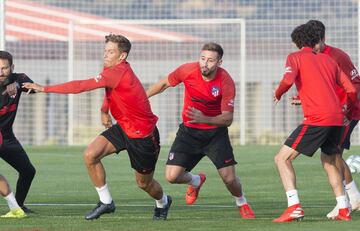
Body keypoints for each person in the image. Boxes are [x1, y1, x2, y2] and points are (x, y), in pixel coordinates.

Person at [23, 34, 172, 221]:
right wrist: (104, 110)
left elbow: (81, 86)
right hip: (123, 128)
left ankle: (163, 201)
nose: (105, 55)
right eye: (105, 50)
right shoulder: (113, 68)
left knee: (144, 184)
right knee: (90, 155)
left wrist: (44, 88)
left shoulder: (117, 72)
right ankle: (106, 202)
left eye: (111, 52)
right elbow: (110, 90)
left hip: (142, 135)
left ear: (122, 56)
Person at [146, 42, 255, 219]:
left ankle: (241, 202)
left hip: (215, 135)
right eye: (202, 58)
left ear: (219, 62)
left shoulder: (225, 81)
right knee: (172, 176)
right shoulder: (187, 70)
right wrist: (144, 97)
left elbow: (227, 119)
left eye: (210, 60)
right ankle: (196, 181)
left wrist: (204, 119)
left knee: (229, 179)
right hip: (188, 133)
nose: (205, 63)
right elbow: (165, 83)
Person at [273, 23, 357, 222]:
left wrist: (278, 94)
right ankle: (344, 209)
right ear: (316, 40)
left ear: (297, 42)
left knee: (281, 159)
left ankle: (294, 206)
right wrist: (348, 111)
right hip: (337, 118)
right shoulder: (328, 60)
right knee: (330, 161)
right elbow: (351, 90)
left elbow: (287, 80)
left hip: (317, 119)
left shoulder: (295, 57)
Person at [306, 19, 360, 219]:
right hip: (331, 114)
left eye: (315, 43)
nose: (312, 48)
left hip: (348, 113)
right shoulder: (312, 57)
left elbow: (356, 85)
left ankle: (344, 202)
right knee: (332, 156)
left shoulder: (338, 56)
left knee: (331, 156)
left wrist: (346, 112)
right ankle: (353, 198)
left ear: (323, 39)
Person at [0, 51, 36, 214]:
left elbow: (33, 88)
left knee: (28, 171)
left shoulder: (19, 78)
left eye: (4, 68)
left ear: (12, 67)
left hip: (7, 138)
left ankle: (19, 206)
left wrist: (18, 86)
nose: (0, 72)